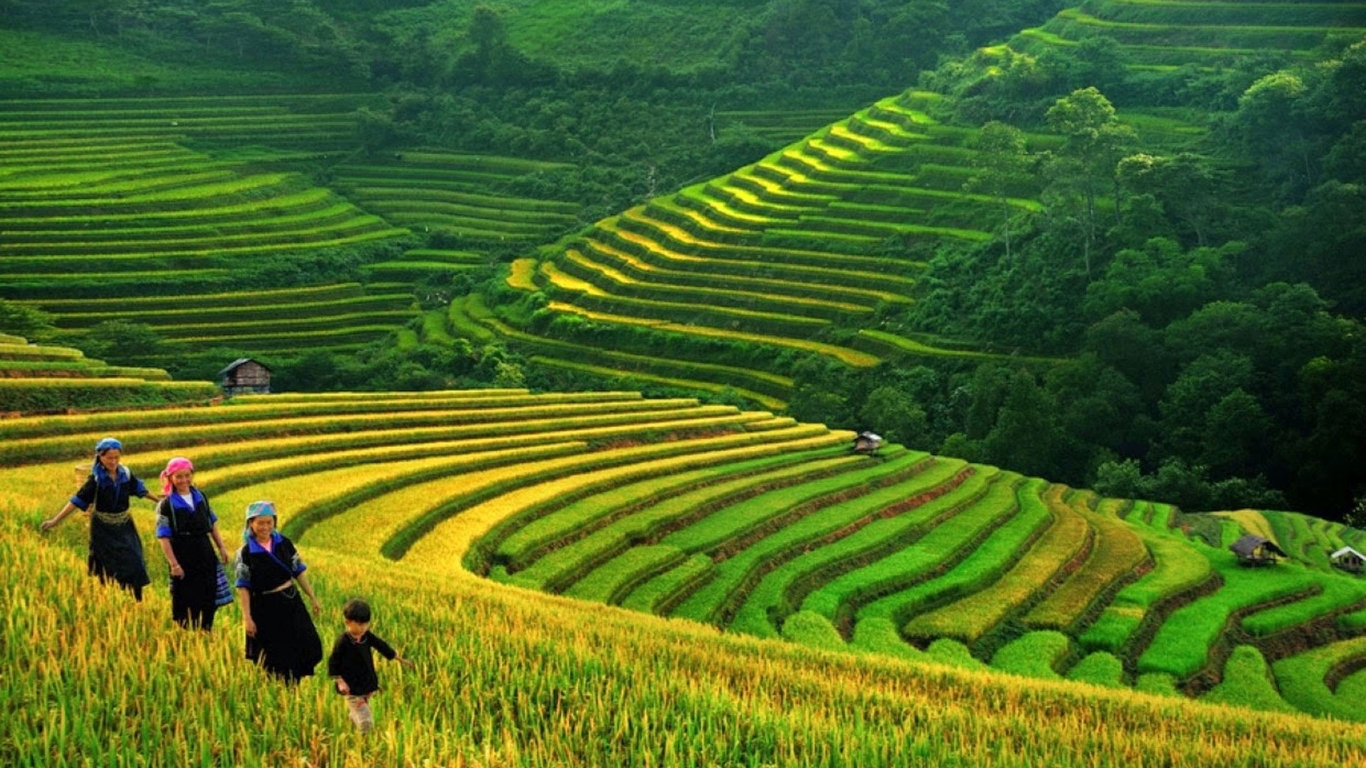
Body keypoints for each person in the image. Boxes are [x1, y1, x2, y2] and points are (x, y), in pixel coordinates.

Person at [40, 437, 159, 601]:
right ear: (100, 458)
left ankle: (137, 600)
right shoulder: (96, 480)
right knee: (106, 565)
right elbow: (76, 501)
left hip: (125, 525)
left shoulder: (126, 474)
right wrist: (55, 521)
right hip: (103, 528)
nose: (113, 461)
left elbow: (140, 490)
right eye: (109, 458)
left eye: (117, 457)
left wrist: (159, 500)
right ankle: (107, 600)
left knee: (134, 560)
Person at [233, 500, 323, 682]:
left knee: (307, 642)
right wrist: (247, 617)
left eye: (269, 522)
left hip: (291, 601)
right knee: (276, 651)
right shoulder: (245, 552)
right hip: (266, 607)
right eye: (260, 523)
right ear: (251, 523)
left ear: (274, 522)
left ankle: (296, 681)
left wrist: (312, 597)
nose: (265, 527)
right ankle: (282, 688)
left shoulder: (284, 543)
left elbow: (299, 571)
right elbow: (243, 586)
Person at [154, 457, 231, 631]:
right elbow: (163, 537)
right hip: (182, 553)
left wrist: (221, 548)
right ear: (171, 478)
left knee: (209, 593)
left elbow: (212, 524)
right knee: (187, 597)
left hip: (204, 550)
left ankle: (206, 630)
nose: (184, 480)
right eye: (179, 477)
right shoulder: (166, 505)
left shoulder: (201, 497)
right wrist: (174, 565)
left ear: (192, 475)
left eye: (187, 476)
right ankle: (188, 635)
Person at [327, 598, 415, 734]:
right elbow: (333, 662)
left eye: (366, 624)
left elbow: (382, 646)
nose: (363, 628)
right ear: (347, 622)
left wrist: (400, 659)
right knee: (366, 721)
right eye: (359, 624)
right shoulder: (343, 641)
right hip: (351, 687)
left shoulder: (366, 636)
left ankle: (351, 724)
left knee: (360, 711)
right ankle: (362, 744)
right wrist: (340, 681)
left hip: (366, 682)